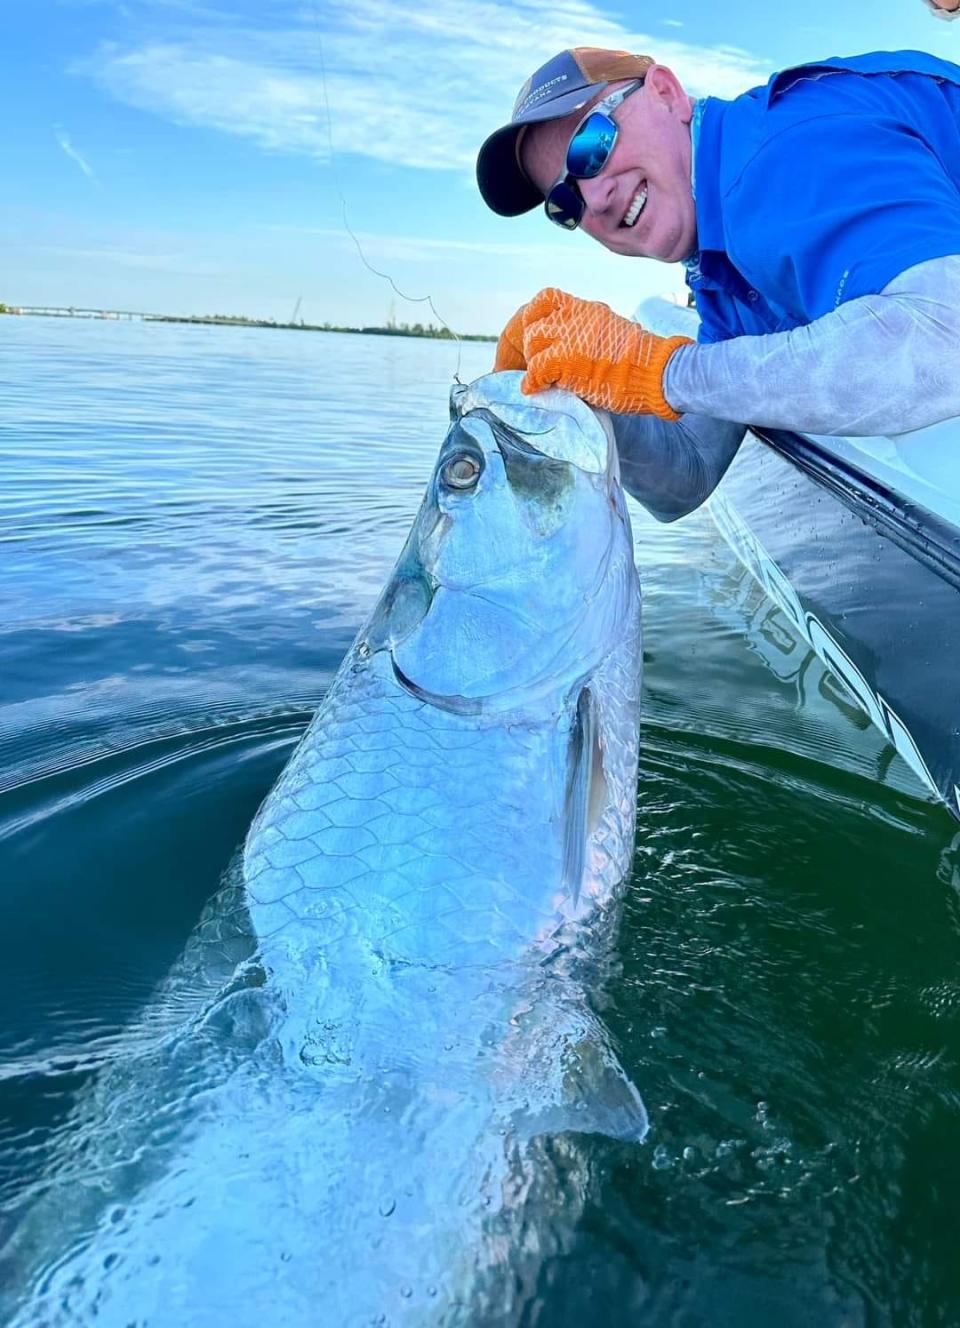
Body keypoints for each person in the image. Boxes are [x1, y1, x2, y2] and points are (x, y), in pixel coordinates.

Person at [475, 47, 960, 521]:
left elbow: (945, 343)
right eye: (564, 201)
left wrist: (664, 371)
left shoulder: (782, 148)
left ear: (666, 93)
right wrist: (590, 379)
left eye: (590, 145)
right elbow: (688, 476)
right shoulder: (722, 271)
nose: (595, 199)